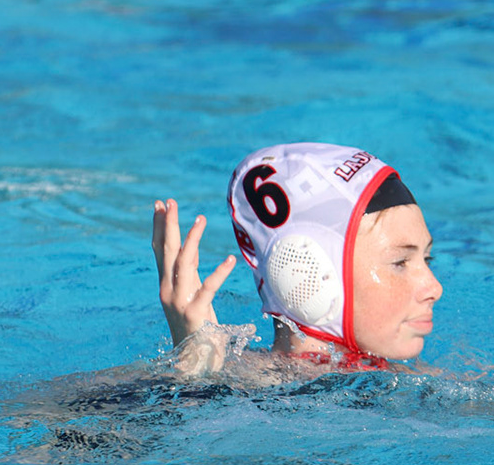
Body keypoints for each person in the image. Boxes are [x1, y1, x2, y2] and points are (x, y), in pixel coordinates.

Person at [151, 142, 442, 377]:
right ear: (307, 271)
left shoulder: (417, 381)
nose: (434, 288)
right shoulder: (240, 390)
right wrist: (193, 376)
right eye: (400, 262)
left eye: (427, 259)